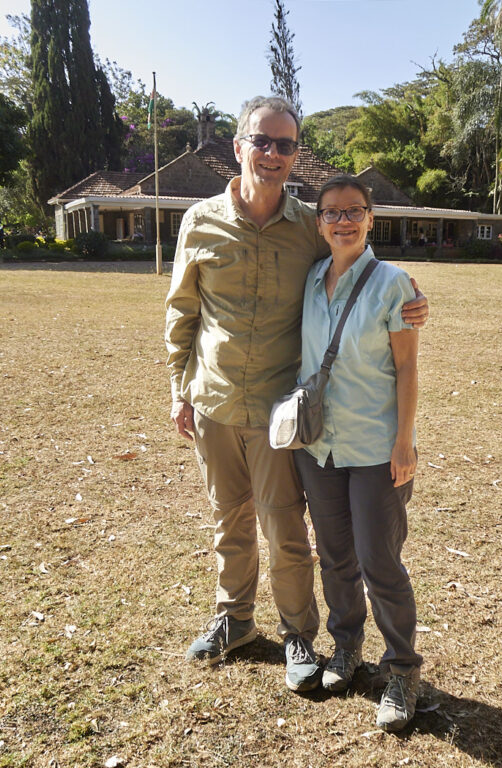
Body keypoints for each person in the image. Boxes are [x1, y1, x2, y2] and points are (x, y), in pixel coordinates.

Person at [164, 96, 429, 693]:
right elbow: (182, 311)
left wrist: (410, 297)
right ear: (240, 146)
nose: (275, 154)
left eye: (287, 145)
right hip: (212, 399)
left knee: (284, 527)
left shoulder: (307, 227)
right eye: (263, 141)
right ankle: (234, 620)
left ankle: (299, 636)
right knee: (226, 519)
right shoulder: (199, 221)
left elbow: (354, 264)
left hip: (280, 413)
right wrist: (179, 389)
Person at [292, 175, 422, 731]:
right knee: (335, 556)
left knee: (380, 562)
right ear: (319, 222)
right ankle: (346, 647)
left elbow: (409, 366)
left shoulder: (394, 285)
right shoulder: (310, 278)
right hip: (318, 446)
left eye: (353, 211)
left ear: (371, 219)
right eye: (331, 213)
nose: (342, 221)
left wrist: (404, 440)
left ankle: (402, 669)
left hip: (375, 447)